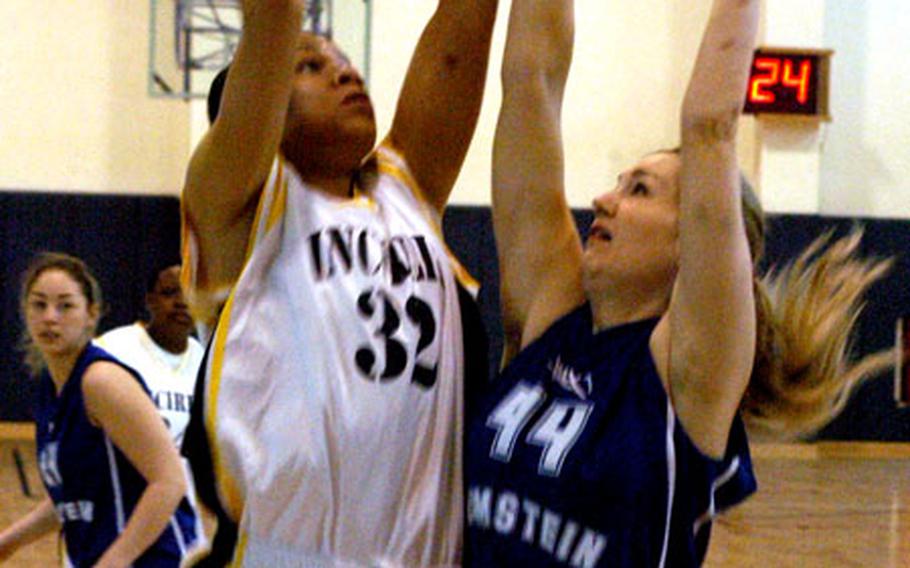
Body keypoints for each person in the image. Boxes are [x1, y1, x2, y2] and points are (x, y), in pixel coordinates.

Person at [465, 1, 892, 566]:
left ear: (691, 240)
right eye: (620, 183)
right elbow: (530, 81)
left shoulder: (686, 371)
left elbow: (709, 127)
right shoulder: (550, 316)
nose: (603, 200)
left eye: (639, 190)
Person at [180, 0, 496, 565]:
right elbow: (274, 17)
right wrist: (275, 43)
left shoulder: (405, 194)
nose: (346, 72)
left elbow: (456, 46)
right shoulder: (243, 210)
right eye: (310, 66)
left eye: (345, 61)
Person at [0, 252, 198, 567]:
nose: (50, 317)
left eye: (66, 305)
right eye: (39, 304)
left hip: (157, 558)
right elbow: (73, 499)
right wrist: (9, 541)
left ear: (91, 314)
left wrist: (113, 562)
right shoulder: (49, 391)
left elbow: (170, 480)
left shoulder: (101, 381)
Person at [95, 263, 207, 549]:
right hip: (116, 512)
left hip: (180, 521)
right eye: (170, 292)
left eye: (191, 293)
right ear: (149, 299)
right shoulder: (112, 350)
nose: (182, 302)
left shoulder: (206, 362)